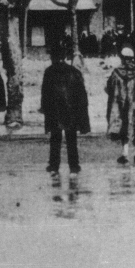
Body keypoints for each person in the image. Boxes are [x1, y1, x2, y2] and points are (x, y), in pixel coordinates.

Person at [41, 41, 90, 176]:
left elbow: (45, 94)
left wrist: (45, 109)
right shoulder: (74, 72)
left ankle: (54, 166)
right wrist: (82, 112)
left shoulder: (49, 72)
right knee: (71, 139)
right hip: (71, 110)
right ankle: (74, 167)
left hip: (55, 110)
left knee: (55, 139)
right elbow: (81, 94)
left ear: (53, 57)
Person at [106, 45, 135, 165]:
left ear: (122, 58)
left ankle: (125, 153)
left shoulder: (116, 73)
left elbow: (108, 88)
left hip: (122, 105)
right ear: (133, 58)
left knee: (124, 127)